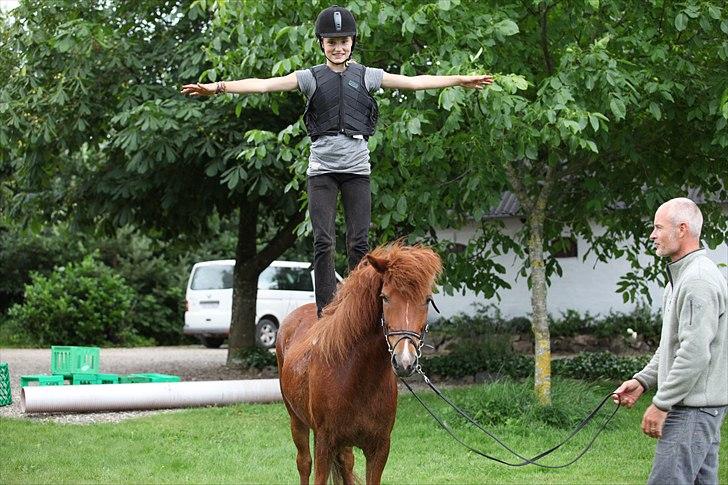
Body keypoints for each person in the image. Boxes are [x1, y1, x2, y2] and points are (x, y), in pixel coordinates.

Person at [181, 5, 493, 317]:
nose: (338, 47)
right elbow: (263, 84)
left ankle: (359, 307)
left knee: (358, 243)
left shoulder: (368, 76)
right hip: (323, 173)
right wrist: (218, 87)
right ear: (322, 44)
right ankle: (325, 310)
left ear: (352, 43)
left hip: (357, 171)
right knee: (323, 241)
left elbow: (413, 82)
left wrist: (457, 80)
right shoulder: (309, 77)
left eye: (344, 41)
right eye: (331, 42)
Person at [613, 197, 728, 485]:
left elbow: (694, 354)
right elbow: (673, 344)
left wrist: (661, 403)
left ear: (682, 229)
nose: (652, 235)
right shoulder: (680, 278)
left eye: (658, 227)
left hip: (692, 409)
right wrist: (643, 380)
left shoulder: (697, 280)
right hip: (699, 407)